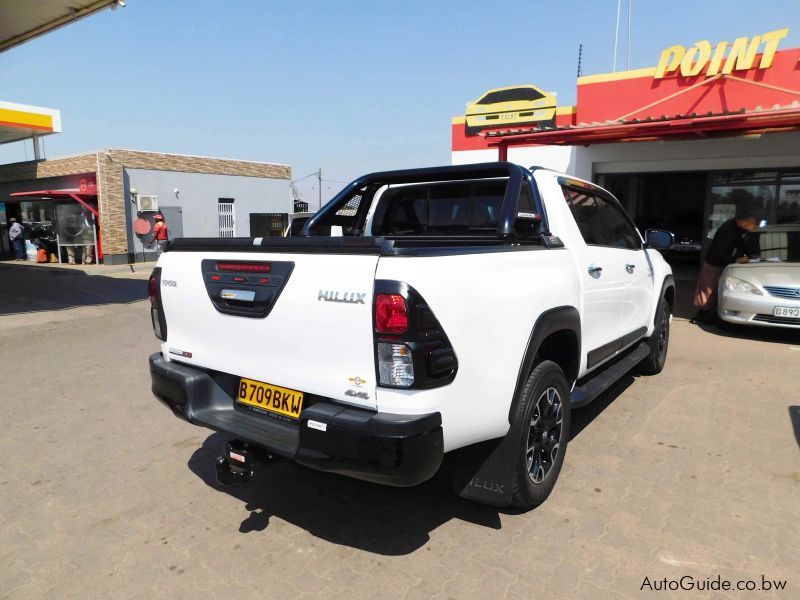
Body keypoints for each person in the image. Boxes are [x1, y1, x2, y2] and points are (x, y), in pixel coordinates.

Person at [692, 211, 759, 324]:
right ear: (743, 222)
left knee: (712, 289)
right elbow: (719, 253)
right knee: (708, 289)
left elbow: (740, 242)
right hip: (714, 262)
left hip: (720, 261)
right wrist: (736, 260)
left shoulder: (735, 227)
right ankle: (702, 316)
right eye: (752, 224)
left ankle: (708, 313)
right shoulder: (728, 231)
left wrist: (750, 253)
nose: (754, 227)